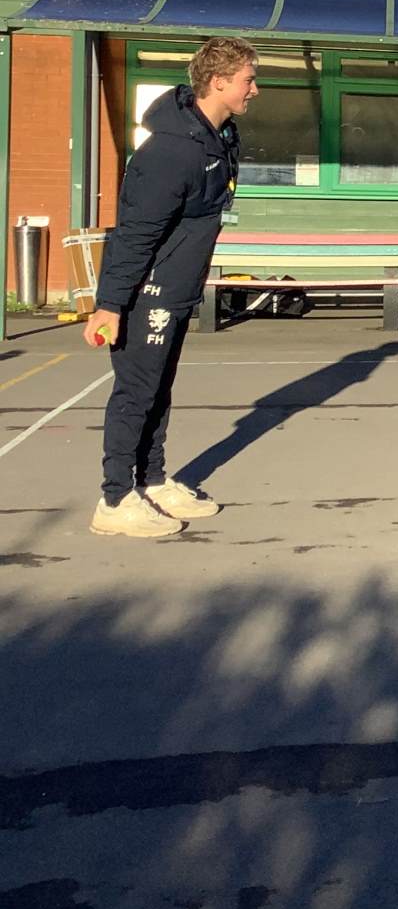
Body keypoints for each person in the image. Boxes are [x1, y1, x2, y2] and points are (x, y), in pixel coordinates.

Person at [83, 38, 259, 536]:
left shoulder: (218, 137)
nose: (255, 89)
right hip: (148, 293)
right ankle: (115, 499)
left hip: (179, 288)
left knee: (159, 389)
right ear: (218, 82)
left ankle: (152, 481)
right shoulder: (169, 151)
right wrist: (109, 305)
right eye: (248, 80)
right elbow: (135, 233)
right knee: (137, 392)